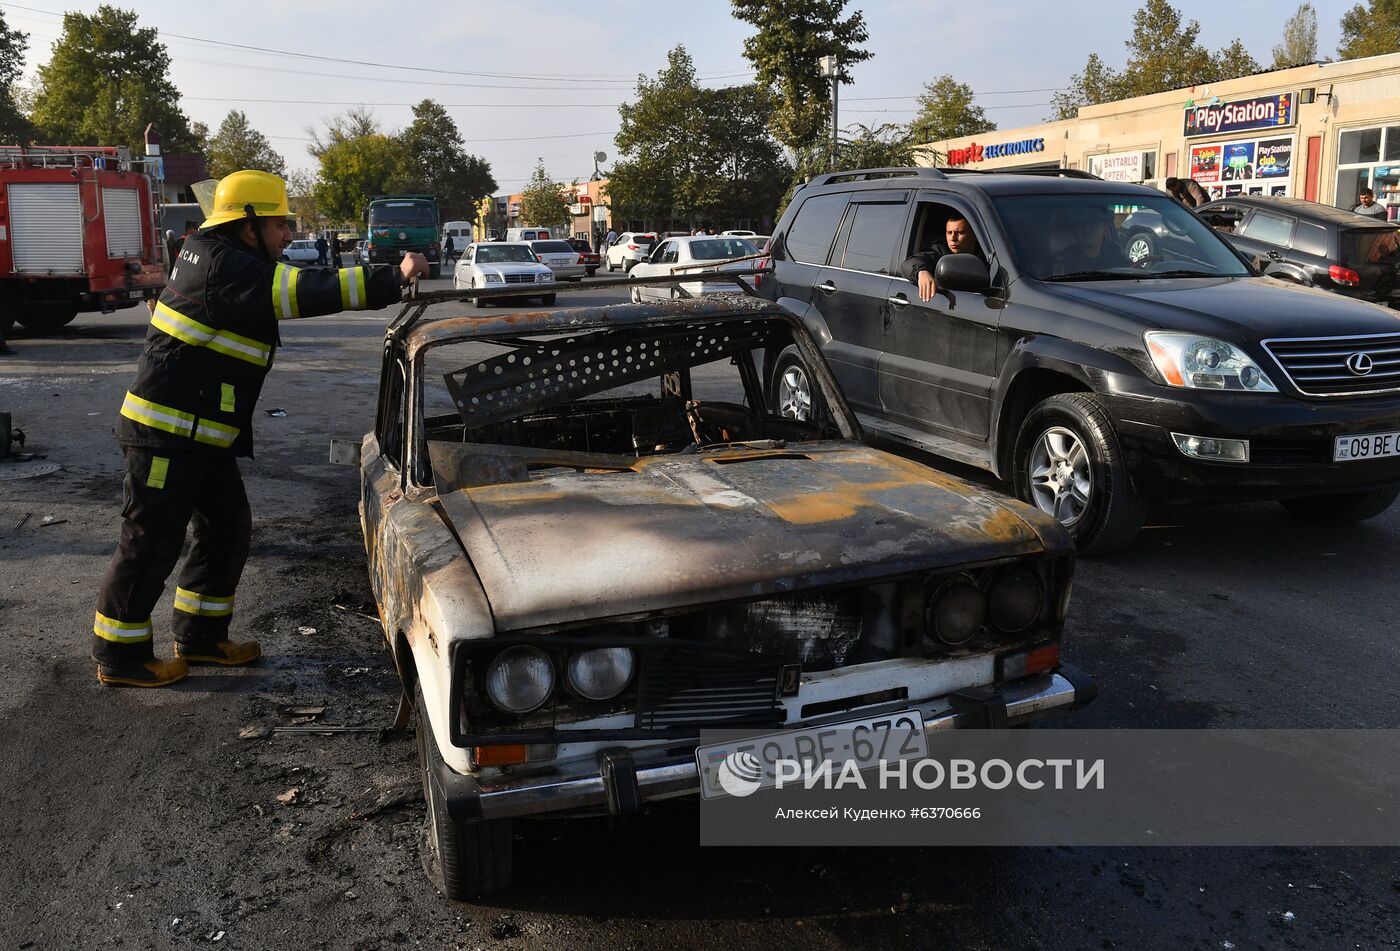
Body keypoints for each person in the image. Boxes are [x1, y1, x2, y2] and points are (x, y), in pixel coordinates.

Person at [91, 170, 428, 687]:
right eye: (279, 225)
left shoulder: (223, 257)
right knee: (150, 540)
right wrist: (393, 276)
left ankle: (201, 637)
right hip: (167, 435)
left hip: (200, 435)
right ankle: (120, 656)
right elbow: (303, 290)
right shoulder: (221, 264)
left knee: (226, 529)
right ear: (247, 225)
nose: (288, 235)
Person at [898, 214, 987, 302]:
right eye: (949, 233)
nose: (953, 238)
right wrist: (921, 272)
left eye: (959, 233)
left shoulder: (988, 256)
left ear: (974, 235)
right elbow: (909, 263)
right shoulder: (939, 252)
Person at [1052, 206, 1131, 273]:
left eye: (1092, 225)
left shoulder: (1113, 250)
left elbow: (1130, 268)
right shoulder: (1065, 259)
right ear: (1075, 229)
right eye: (1081, 224)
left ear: (1105, 228)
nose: (1086, 229)